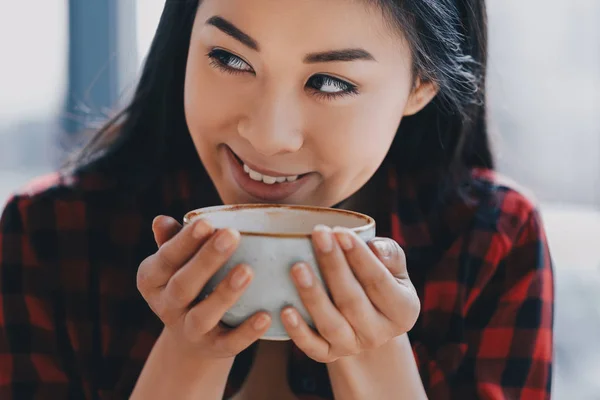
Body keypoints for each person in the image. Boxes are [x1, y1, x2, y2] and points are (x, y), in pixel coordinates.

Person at [0, 0, 554, 398]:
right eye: (231, 59)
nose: (268, 136)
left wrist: (375, 354)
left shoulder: (493, 241)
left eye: (330, 83)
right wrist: (189, 353)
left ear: (420, 85)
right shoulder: (49, 235)